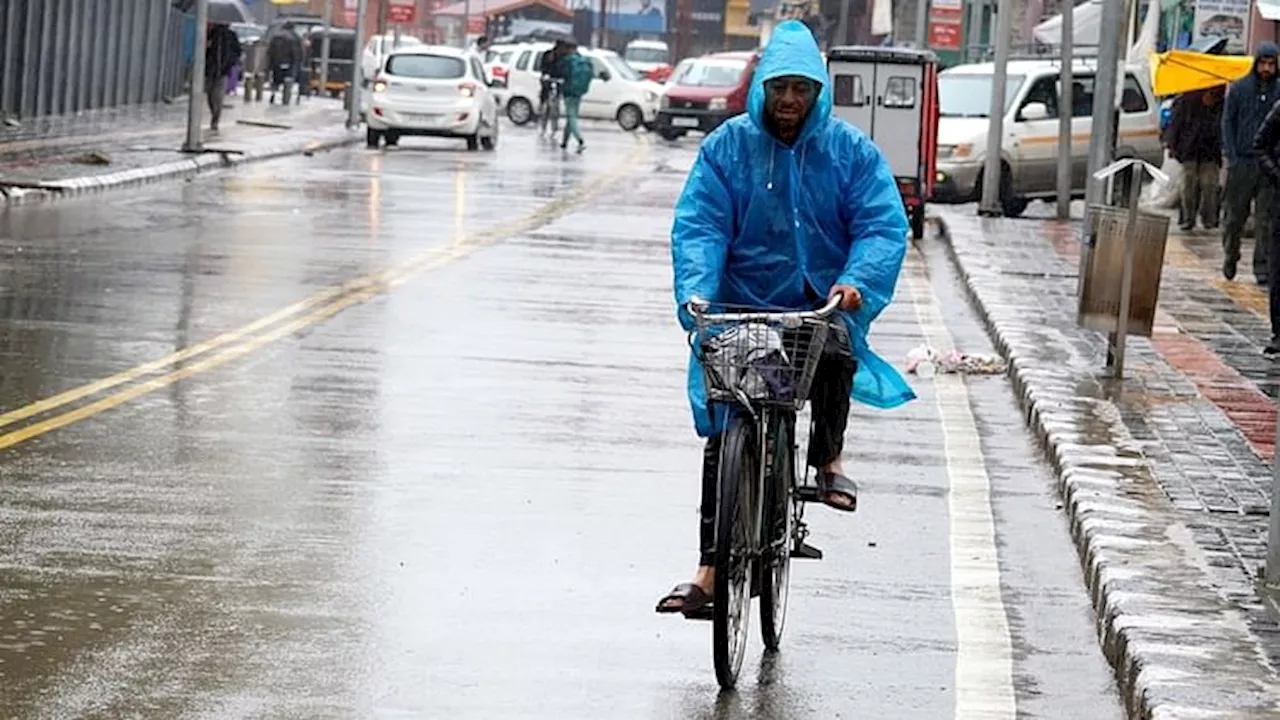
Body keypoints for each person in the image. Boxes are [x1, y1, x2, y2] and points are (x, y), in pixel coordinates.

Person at [655, 19, 914, 616]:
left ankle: (827, 459)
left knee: (833, 354)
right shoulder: (727, 148)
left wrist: (856, 282)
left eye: (802, 88)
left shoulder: (850, 151)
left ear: (818, 92)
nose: (790, 100)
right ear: (763, 89)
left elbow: (880, 224)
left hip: (815, 304)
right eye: (780, 88)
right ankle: (710, 571)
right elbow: (700, 226)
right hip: (741, 305)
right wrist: (696, 295)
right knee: (728, 432)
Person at [1221, 42, 1279, 284]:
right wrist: (1232, 156)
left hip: (1268, 166)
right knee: (1235, 217)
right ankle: (1230, 255)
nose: (1266, 68)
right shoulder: (1239, 89)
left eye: (1271, 64)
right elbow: (1228, 123)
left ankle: (1261, 267)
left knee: (1265, 219)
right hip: (1242, 162)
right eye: (1263, 63)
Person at [1167, 86, 1224, 232]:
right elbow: (1175, 125)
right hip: (1189, 150)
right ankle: (1188, 218)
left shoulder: (1221, 105)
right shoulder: (1186, 101)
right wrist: (1174, 147)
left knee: (1209, 185)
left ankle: (1208, 219)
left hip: (1210, 152)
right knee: (1188, 186)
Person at [555, 41, 593, 153]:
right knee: (571, 116)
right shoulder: (583, 60)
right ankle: (565, 141)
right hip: (580, 91)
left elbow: (562, 73)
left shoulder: (568, 61)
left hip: (569, 91)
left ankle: (580, 140)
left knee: (571, 117)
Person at [205, 22, 242, 132]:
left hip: (223, 70)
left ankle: (215, 119)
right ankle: (214, 113)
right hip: (210, 69)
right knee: (210, 94)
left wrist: (230, 62)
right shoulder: (211, 33)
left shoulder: (231, 35)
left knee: (218, 96)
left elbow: (238, 51)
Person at [266, 22, 303, 104]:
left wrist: (270, 64)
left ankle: (273, 94)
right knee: (288, 80)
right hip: (289, 62)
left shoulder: (275, 37)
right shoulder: (294, 37)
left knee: (276, 80)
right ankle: (285, 98)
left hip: (276, 63)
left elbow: (269, 51)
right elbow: (297, 53)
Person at [538, 41, 567, 132]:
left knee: (556, 102)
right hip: (548, 81)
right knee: (546, 102)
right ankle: (543, 123)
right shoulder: (548, 54)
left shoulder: (564, 57)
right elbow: (542, 67)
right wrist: (545, 75)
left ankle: (555, 124)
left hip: (558, 81)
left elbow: (564, 69)